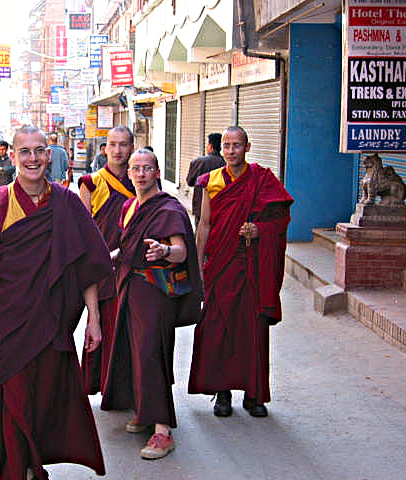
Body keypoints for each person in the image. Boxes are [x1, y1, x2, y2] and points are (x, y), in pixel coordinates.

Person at [0, 126, 110, 480]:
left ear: (49, 155)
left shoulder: (67, 203)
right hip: (10, 321)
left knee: (45, 400)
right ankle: (18, 470)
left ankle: (32, 464)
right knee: (14, 400)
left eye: (39, 151)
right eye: (24, 152)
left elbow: (85, 264)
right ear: (13, 157)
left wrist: (94, 318)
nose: (32, 159)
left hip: (54, 321)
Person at [101, 149, 202, 460]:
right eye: (136, 168)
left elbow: (182, 251)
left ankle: (162, 431)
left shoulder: (168, 208)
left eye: (147, 168)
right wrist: (110, 257)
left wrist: (164, 250)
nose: (141, 174)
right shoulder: (129, 206)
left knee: (151, 353)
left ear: (157, 172)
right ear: (129, 173)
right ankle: (144, 411)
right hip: (129, 288)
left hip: (155, 293)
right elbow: (127, 246)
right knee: (131, 351)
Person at [188, 126, 293, 418]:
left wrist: (261, 229)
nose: (232, 150)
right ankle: (223, 393)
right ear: (221, 149)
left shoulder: (262, 179)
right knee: (220, 327)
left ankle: (254, 394)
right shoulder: (212, 182)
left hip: (251, 265)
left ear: (248, 147)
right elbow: (205, 224)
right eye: (227, 145)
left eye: (237, 145)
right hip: (221, 264)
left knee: (252, 330)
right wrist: (198, 266)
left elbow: (281, 220)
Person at [78, 126, 136, 396]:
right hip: (103, 265)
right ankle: (99, 382)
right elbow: (83, 228)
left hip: (133, 265)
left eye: (123, 145)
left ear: (131, 148)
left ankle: (125, 387)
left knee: (128, 327)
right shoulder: (91, 182)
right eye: (112, 144)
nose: (117, 150)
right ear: (105, 148)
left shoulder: (140, 179)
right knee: (101, 320)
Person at [186, 133, 225, 228]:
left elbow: (189, 182)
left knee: (200, 232)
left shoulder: (198, 162)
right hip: (219, 208)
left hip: (200, 207)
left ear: (210, 146)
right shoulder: (225, 164)